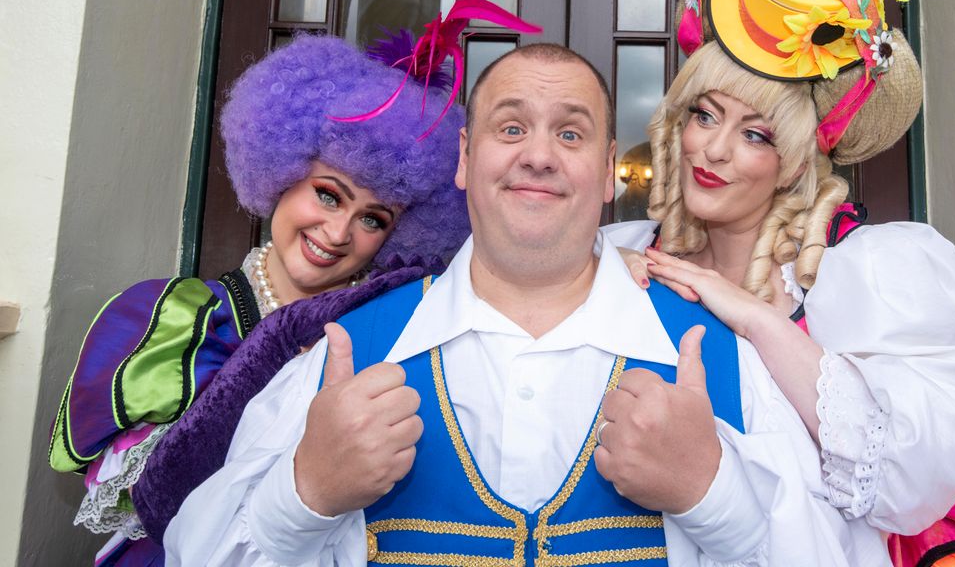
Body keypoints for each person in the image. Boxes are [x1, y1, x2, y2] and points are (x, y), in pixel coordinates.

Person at [164, 42, 892, 566]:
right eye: (511, 128)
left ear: (610, 173)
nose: (538, 155)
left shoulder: (721, 364)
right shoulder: (343, 359)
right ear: (463, 159)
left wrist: (716, 497)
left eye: (570, 133)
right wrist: (304, 494)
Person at [608, 0, 955, 561]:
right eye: (704, 115)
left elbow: (907, 480)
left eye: (755, 134)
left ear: (797, 160)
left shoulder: (867, 272)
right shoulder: (626, 246)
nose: (711, 149)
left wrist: (760, 322)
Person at [48, 32, 470, 566]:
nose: (337, 232)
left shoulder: (389, 331)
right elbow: (149, 502)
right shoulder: (173, 316)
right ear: (284, 172)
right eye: (328, 193)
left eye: (372, 219)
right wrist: (275, 345)